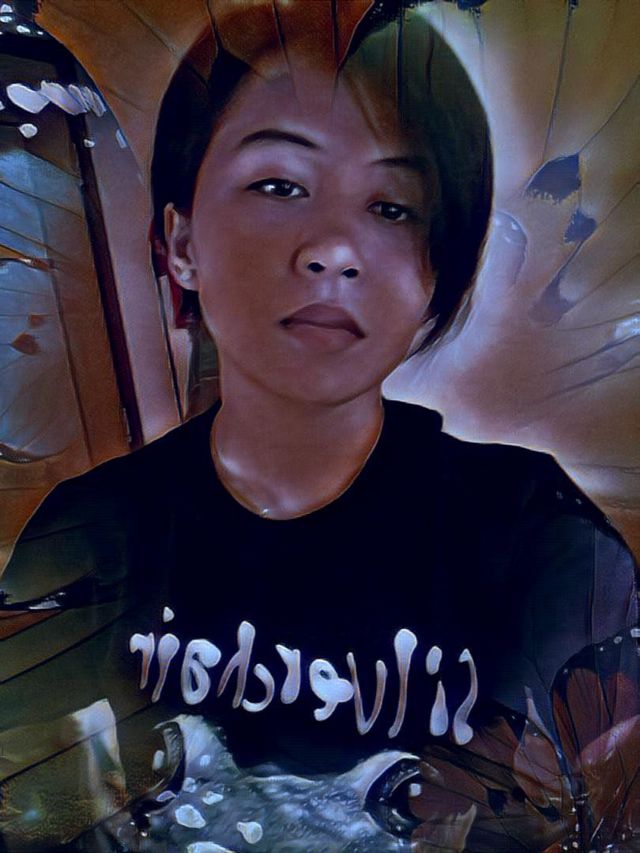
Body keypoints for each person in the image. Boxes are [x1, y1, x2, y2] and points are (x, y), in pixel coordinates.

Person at [1, 1, 637, 848]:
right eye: (279, 185)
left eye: (393, 206)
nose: (333, 248)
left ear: (435, 271)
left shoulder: (544, 545)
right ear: (180, 242)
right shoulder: (87, 533)